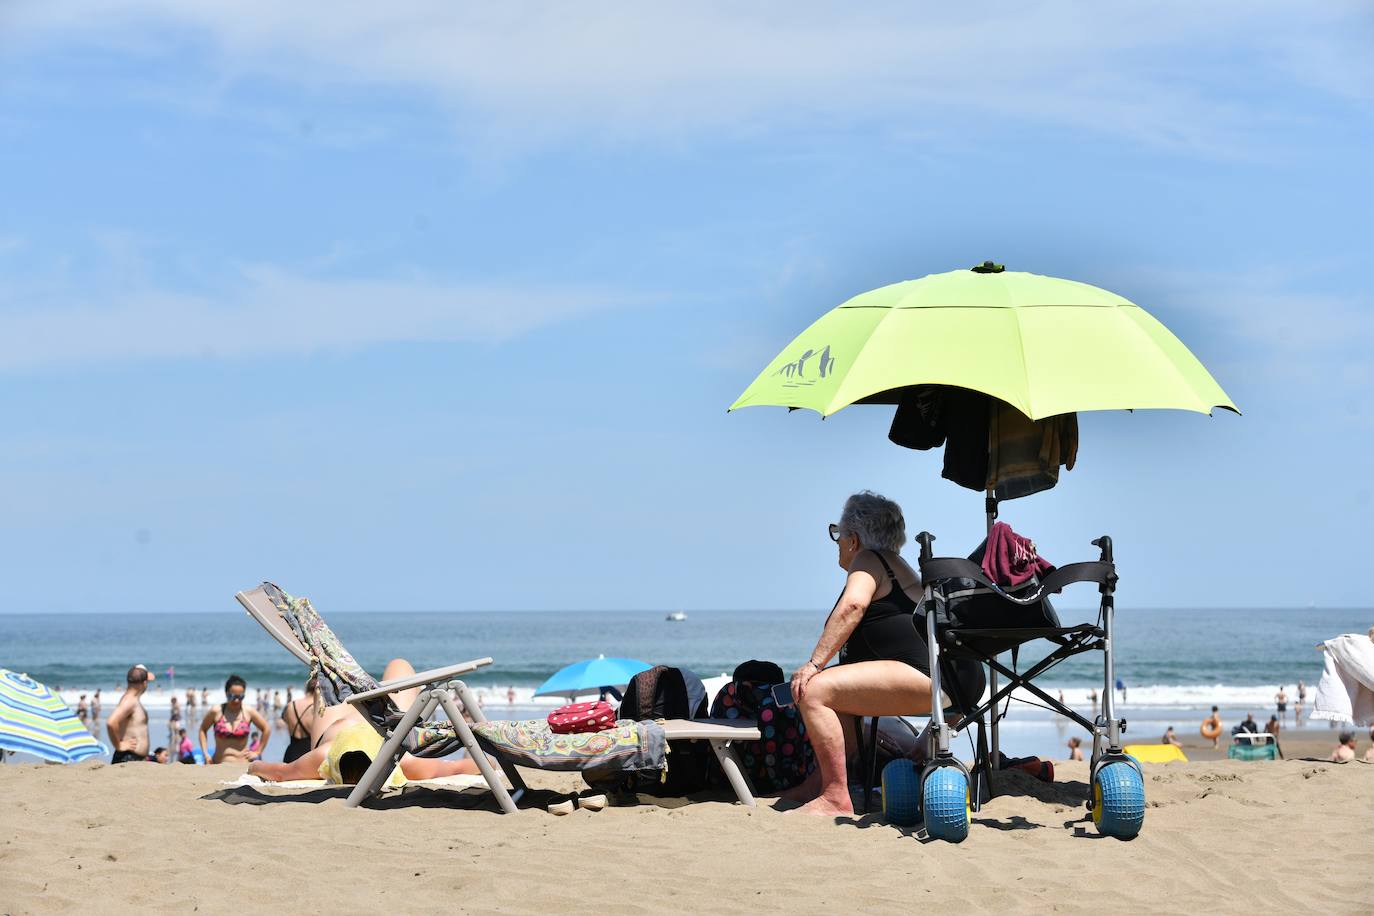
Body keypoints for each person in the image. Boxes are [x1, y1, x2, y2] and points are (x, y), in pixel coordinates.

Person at [783, 492, 980, 817]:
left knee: (814, 690)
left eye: (838, 534)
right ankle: (820, 784)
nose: (837, 542)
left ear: (854, 539)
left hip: (933, 678)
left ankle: (835, 797)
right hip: (963, 678)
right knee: (836, 697)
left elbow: (853, 606)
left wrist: (814, 664)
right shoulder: (899, 569)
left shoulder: (869, 560)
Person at [248, 658, 484, 785]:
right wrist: (495, 763)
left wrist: (253, 766)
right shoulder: (400, 762)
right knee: (399, 665)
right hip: (381, 717)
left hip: (353, 720)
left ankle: (354, 675)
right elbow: (458, 767)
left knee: (330, 671)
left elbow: (278, 773)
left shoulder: (324, 757)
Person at [198, 675, 272, 764]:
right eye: (232, 696)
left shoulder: (248, 711)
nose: (236, 700)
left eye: (240, 697)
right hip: (219, 764)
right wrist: (205, 754)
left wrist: (258, 752)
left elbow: (266, 728)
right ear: (226, 693)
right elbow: (203, 729)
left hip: (242, 765)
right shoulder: (216, 711)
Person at [106, 664, 155, 763]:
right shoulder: (130, 701)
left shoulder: (132, 700)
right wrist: (119, 745)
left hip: (133, 758)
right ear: (144, 683)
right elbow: (111, 722)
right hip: (127, 758)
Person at [281, 677, 319, 764]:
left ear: (306, 687)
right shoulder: (318, 707)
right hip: (308, 757)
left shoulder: (290, 705)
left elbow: (285, 720)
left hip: (290, 754)